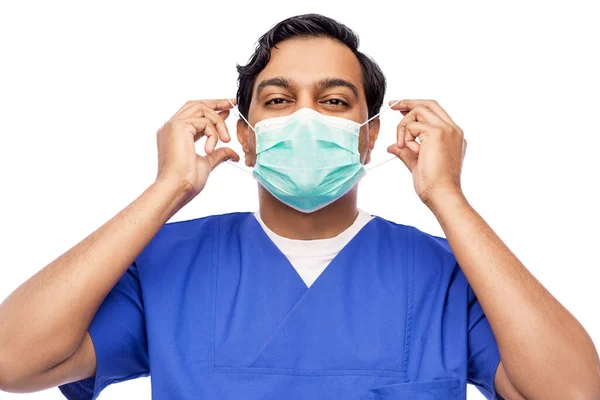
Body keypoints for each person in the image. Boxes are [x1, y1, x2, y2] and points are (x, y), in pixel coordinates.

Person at [0, 13, 598, 400]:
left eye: (335, 101)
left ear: (368, 137)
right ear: (247, 132)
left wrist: (448, 197)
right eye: (279, 99)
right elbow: (12, 362)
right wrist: (167, 191)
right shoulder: (166, 267)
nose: (307, 118)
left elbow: (572, 392)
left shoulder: (445, 274)